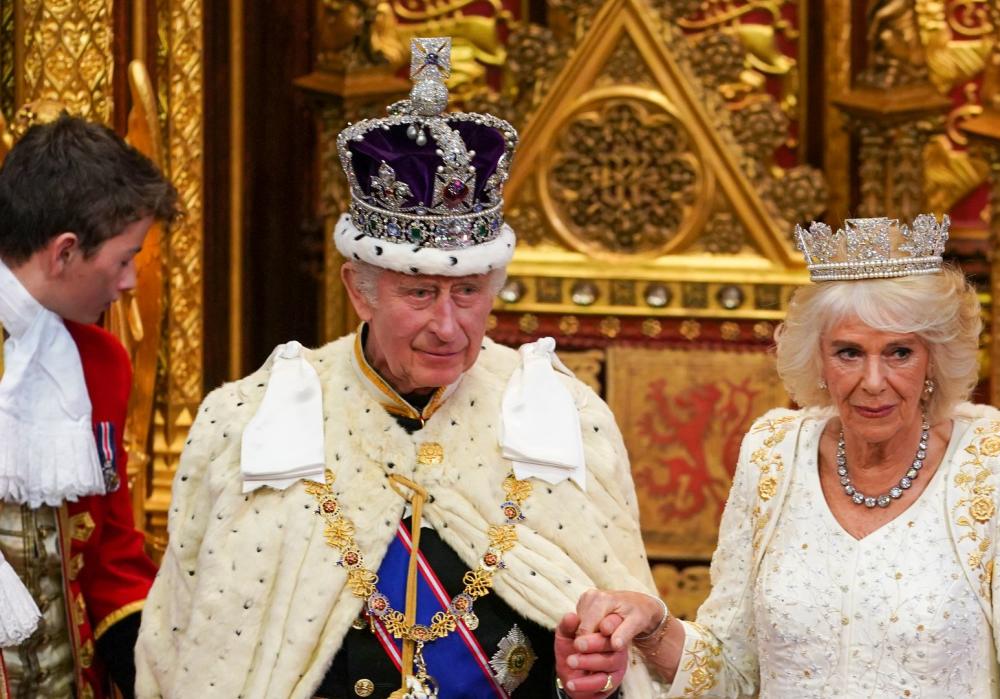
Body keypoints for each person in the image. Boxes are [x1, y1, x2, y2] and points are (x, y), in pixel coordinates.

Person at [135, 37, 657, 699]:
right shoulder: (250, 416)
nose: (448, 324)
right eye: (419, 293)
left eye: (468, 292)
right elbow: (193, 645)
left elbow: (621, 656)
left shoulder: (565, 415)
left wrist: (590, 675)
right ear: (360, 290)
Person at [556, 215, 1000, 697]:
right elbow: (732, 676)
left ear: (933, 360)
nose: (873, 381)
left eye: (899, 352)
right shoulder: (772, 453)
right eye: (849, 352)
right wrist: (654, 626)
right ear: (816, 359)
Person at [0, 115, 176, 698]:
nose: (130, 283)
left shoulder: (101, 363)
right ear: (65, 252)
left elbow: (111, 553)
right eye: (125, 259)